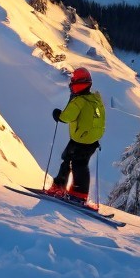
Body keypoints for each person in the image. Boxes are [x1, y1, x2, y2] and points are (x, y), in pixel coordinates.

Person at [46, 67, 106, 205]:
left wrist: (58, 115)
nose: (71, 85)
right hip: (91, 141)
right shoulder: (95, 99)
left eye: (73, 82)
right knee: (77, 163)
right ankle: (76, 193)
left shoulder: (79, 101)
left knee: (74, 163)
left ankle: (69, 192)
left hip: (80, 140)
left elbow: (66, 117)